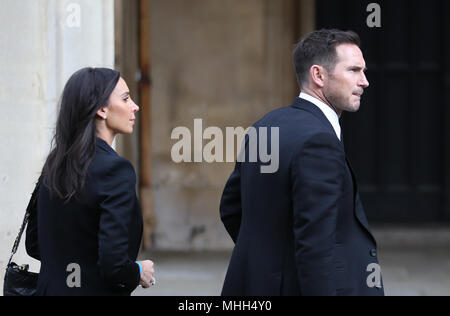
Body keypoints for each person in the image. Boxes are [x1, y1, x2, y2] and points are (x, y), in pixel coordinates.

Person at [220, 29, 384, 296]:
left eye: (363, 71)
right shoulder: (319, 140)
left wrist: (270, 263)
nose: (364, 81)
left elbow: (230, 208)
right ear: (318, 75)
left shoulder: (266, 124)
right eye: (354, 70)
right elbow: (316, 245)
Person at [25, 67, 155, 296]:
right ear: (102, 109)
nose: (135, 106)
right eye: (125, 99)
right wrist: (138, 270)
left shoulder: (54, 163)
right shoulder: (116, 170)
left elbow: (35, 244)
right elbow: (113, 265)